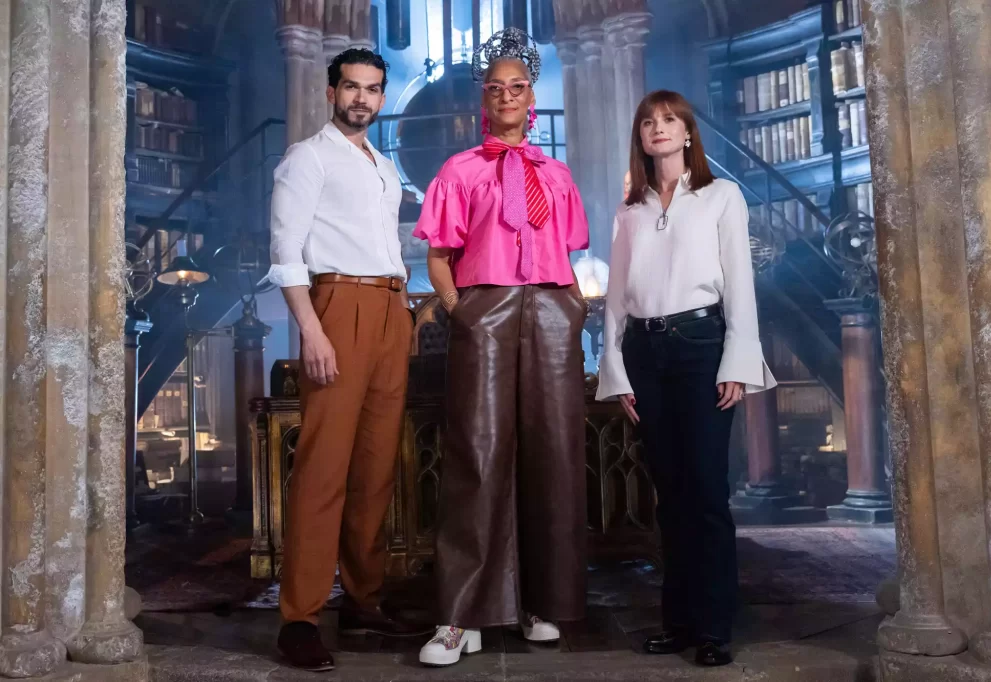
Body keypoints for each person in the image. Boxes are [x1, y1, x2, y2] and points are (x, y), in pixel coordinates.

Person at [412, 27, 591, 667]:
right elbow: (437, 255)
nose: (507, 96)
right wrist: (463, 310)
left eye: (518, 87)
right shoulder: (459, 171)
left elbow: (571, 252)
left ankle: (539, 601)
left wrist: (569, 308)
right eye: (497, 88)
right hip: (484, 306)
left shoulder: (558, 174)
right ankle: (461, 618)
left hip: (551, 306)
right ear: (483, 99)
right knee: (478, 454)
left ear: (530, 97)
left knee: (551, 454)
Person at [596, 90, 777, 667]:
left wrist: (738, 359)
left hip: (702, 347)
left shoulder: (722, 196)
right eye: (648, 122)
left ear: (688, 133)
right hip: (646, 353)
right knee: (669, 497)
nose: (658, 129)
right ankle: (677, 622)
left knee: (705, 492)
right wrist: (617, 369)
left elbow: (740, 282)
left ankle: (714, 627)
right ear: (641, 136)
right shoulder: (631, 208)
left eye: (669, 120)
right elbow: (617, 299)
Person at [267, 48, 425, 672]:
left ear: (383, 97)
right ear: (332, 91)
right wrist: (312, 330)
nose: (362, 98)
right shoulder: (307, 158)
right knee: (323, 468)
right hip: (337, 307)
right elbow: (286, 252)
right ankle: (299, 618)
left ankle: (364, 599)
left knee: (375, 467)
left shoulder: (383, 167)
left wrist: (405, 314)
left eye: (373, 89)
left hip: (391, 310)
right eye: (351, 87)